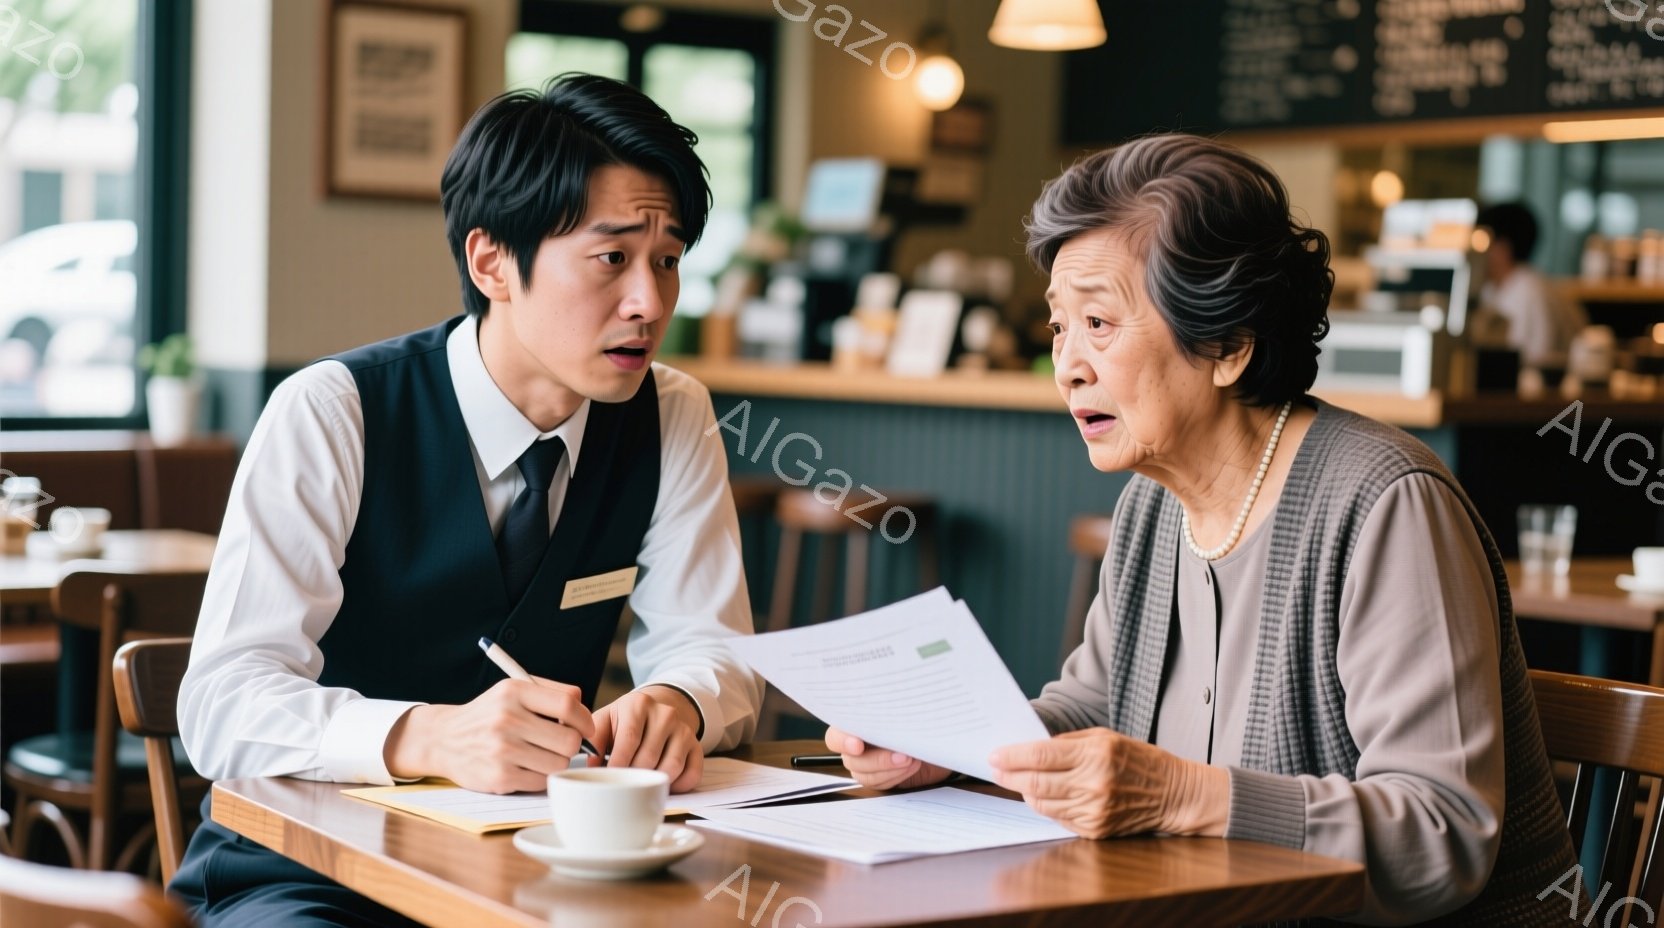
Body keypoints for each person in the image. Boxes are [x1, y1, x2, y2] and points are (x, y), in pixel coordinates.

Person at [826, 136, 1579, 926]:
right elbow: (1092, 707)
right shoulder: (1154, 503)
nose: (1068, 365)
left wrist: (1186, 794)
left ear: (1227, 345)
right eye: (1058, 327)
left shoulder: (1385, 504)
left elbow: (1442, 833)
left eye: (1098, 322)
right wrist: (949, 754)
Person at [170, 74, 764, 927]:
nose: (651, 302)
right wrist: (424, 737)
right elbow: (222, 702)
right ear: (492, 262)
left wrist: (681, 703)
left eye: (667, 261)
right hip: (311, 875)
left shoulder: (672, 414)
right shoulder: (334, 411)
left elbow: (720, 653)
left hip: (545, 871)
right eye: (612, 259)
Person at [1476, 201, 1586, 367]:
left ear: (1503, 248)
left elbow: (1531, 363)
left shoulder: (1529, 291)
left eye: (1481, 242)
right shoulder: (1493, 289)